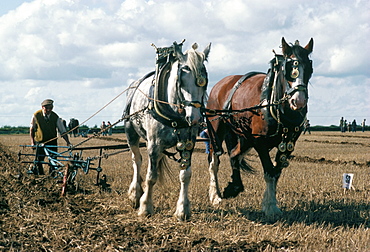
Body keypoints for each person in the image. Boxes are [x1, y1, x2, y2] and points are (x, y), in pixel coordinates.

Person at [30, 99, 71, 175]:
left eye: (51, 108)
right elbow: (32, 129)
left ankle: (52, 176)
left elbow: (62, 131)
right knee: (39, 160)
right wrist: (33, 142)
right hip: (40, 142)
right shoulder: (36, 115)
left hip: (52, 141)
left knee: (53, 161)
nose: (49, 110)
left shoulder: (55, 117)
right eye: (47, 108)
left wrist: (68, 142)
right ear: (42, 107)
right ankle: (40, 175)